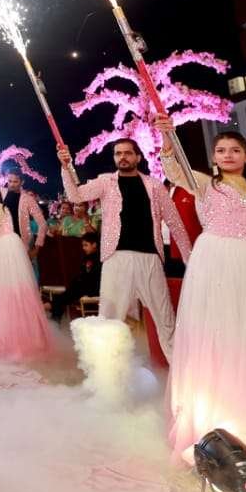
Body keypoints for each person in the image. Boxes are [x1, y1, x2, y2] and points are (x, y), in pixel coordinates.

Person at [156, 118, 246, 464]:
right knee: (220, 334)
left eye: (235, 150)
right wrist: (167, 137)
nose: (227, 155)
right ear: (214, 157)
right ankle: (218, 416)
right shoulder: (206, 184)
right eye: (221, 150)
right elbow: (174, 170)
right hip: (216, 266)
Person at [57, 137, 191, 362]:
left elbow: (174, 222)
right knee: (109, 319)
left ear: (137, 157)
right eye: (118, 153)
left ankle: (179, 369)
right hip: (116, 257)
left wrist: (189, 258)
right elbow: (76, 195)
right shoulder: (106, 182)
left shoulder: (154, 185)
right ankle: (106, 374)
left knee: (165, 318)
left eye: (128, 153)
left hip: (150, 258)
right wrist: (66, 167)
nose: (123, 157)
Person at [0, 184, 54, 360]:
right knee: (4, 293)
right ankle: (5, 337)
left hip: (4, 251)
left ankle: (11, 339)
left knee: (5, 293)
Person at [47, 230, 103, 322]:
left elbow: (91, 277)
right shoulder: (88, 257)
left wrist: (78, 283)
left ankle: (50, 307)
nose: (83, 248)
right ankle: (54, 312)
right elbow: (83, 275)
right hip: (85, 286)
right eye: (83, 245)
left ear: (94, 244)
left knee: (68, 294)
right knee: (67, 294)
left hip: (93, 288)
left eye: (86, 245)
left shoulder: (98, 258)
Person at [2, 170, 47, 258]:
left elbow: (43, 224)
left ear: (22, 182)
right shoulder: (1, 193)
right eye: (10, 181)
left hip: (21, 244)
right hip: (2, 242)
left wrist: (36, 248)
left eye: (15, 181)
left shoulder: (28, 199)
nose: (11, 184)